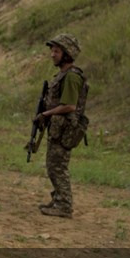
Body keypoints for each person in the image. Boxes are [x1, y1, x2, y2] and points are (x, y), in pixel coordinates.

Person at [36, 33, 89, 218]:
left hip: (65, 129)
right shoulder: (63, 75)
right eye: (52, 50)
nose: (52, 54)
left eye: (56, 51)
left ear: (67, 54)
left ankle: (64, 206)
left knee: (57, 167)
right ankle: (58, 199)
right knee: (53, 166)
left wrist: (46, 114)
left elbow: (70, 106)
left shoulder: (72, 77)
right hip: (58, 128)